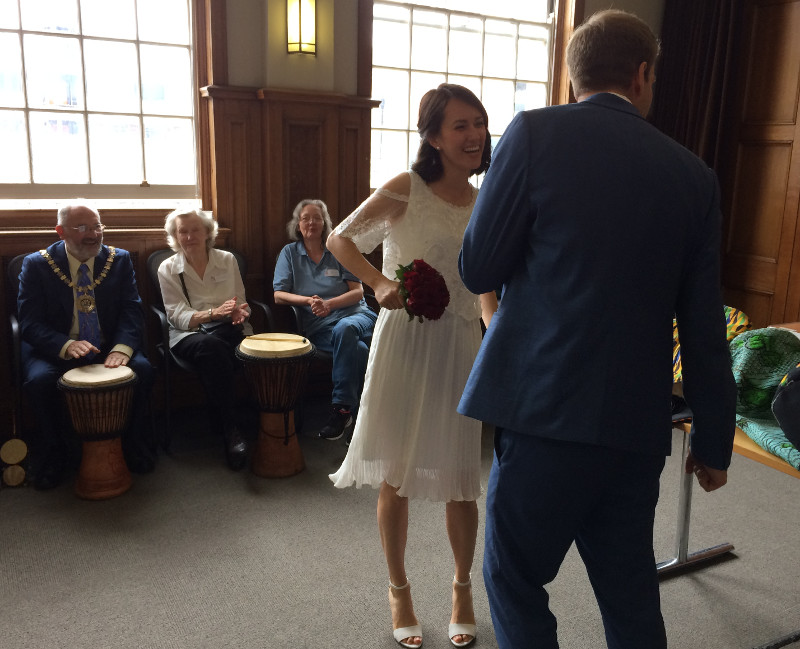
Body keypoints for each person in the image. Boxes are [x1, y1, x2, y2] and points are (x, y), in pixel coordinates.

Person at [457, 10, 737, 649]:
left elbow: (478, 267)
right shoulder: (694, 176)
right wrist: (715, 438)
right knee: (629, 589)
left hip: (542, 412)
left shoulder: (531, 135)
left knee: (515, 579)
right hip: (635, 425)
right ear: (643, 76)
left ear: (571, 74)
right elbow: (703, 322)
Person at [327, 84, 498, 649]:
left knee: (461, 479)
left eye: (479, 123)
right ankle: (398, 589)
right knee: (396, 474)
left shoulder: (485, 198)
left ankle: (461, 586)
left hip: (458, 343)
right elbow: (341, 238)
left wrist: (494, 328)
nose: (474, 134)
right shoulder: (406, 189)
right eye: (460, 125)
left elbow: (485, 282)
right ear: (432, 137)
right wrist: (377, 282)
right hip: (405, 338)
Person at [17, 202, 156, 490]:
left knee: (142, 370)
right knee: (40, 381)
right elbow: (29, 323)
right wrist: (65, 345)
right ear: (60, 231)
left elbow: (132, 309)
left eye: (97, 226)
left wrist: (123, 348)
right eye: (82, 228)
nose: (93, 234)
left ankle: (132, 442)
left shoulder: (119, 259)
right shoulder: (36, 264)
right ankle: (55, 451)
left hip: (107, 345)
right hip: (57, 347)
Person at [273, 199, 377, 441]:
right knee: (358, 350)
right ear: (298, 225)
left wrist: (329, 304)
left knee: (346, 327)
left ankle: (340, 409)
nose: (311, 222)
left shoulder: (338, 250)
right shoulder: (289, 253)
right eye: (306, 218)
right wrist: (310, 301)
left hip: (356, 315)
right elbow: (279, 295)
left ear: (325, 223)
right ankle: (362, 420)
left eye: (317, 218)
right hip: (319, 328)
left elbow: (358, 291)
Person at [157, 208, 252, 470]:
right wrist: (211, 313)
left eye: (195, 230)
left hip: (228, 329)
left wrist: (238, 313)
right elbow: (175, 315)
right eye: (182, 231)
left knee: (224, 349)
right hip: (189, 335)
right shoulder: (168, 268)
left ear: (207, 232)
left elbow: (242, 302)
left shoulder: (226, 259)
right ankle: (231, 428)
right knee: (213, 348)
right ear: (175, 236)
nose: (189, 236)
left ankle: (220, 417)